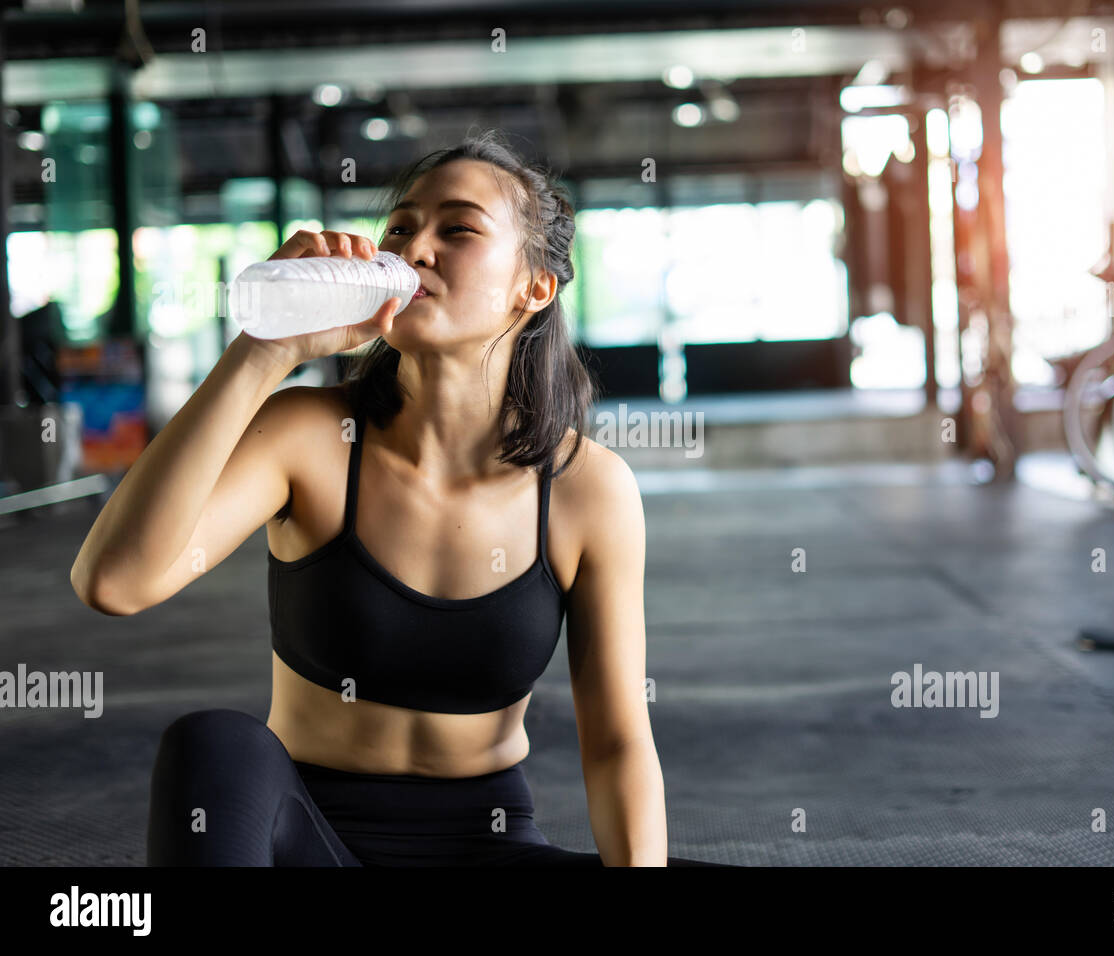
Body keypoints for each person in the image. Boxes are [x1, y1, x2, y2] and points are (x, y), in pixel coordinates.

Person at [71, 130, 734, 867]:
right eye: (401, 227)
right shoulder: (308, 438)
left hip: (486, 845)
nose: (415, 249)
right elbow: (114, 583)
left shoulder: (587, 488)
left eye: (458, 229)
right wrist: (263, 352)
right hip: (310, 845)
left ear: (535, 287)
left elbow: (616, 743)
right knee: (213, 744)